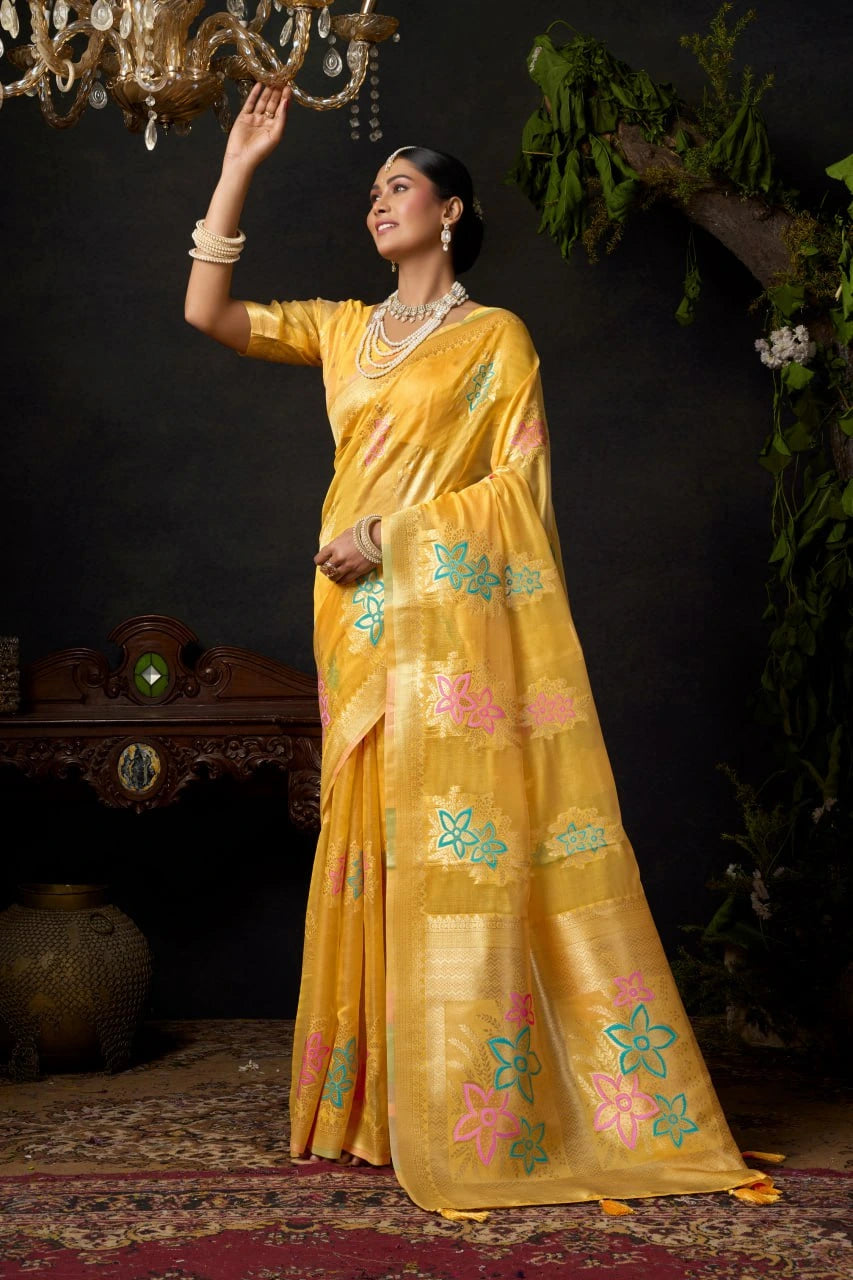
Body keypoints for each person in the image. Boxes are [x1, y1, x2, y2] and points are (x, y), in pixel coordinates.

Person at [185, 83, 778, 1214]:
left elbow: (518, 492)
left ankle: (466, 1097)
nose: (378, 205)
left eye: (397, 186)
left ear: (449, 210)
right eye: (371, 192)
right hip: (354, 619)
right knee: (368, 832)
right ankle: (365, 1104)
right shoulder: (344, 330)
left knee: (453, 843)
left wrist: (393, 532)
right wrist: (238, 166)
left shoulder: (496, 340)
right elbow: (207, 314)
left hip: (433, 611)